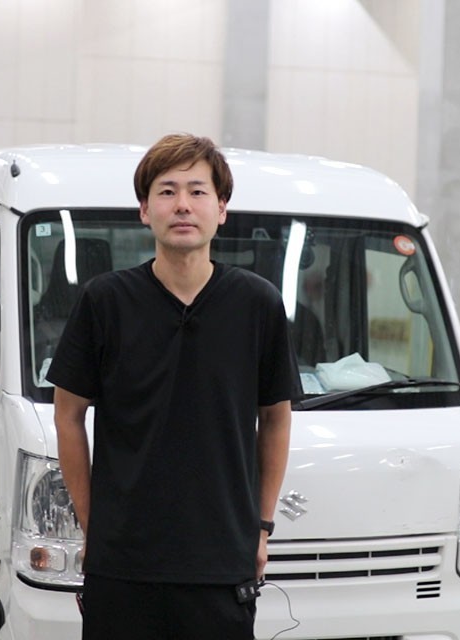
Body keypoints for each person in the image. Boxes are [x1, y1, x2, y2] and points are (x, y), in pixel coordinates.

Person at [47, 133, 300, 640]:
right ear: (145, 210)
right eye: (166, 191)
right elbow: (67, 414)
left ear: (221, 209)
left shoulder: (257, 304)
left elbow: (275, 418)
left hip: (221, 562)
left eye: (197, 191)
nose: (182, 204)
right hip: (122, 563)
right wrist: (93, 525)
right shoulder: (105, 301)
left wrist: (261, 527)